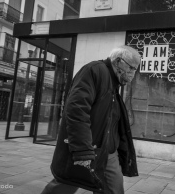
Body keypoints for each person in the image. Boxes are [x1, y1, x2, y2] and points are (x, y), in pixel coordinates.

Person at [41, 45, 141, 194]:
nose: (133, 73)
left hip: (108, 152)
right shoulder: (95, 70)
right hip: (90, 148)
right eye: (132, 68)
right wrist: (82, 149)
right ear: (119, 61)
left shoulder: (113, 84)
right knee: (66, 184)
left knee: (113, 188)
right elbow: (76, 109)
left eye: (135, 69)